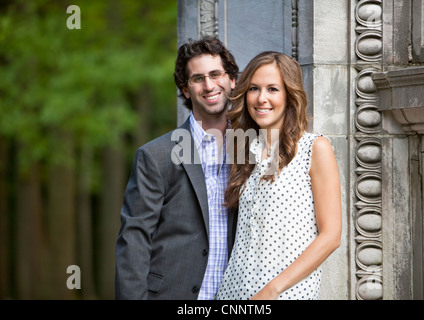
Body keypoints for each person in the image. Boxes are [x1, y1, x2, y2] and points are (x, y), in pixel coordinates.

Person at [115, 36, 239, 300]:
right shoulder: (155, 156)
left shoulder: (252, 151)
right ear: (185, 89)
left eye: (216, 74)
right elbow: (134, 239)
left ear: (232, 80)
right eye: (197, 79)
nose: (209, 85)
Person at [216, 51, 342, 300]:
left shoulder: (314, 148)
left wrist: (272, 290)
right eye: (254, 88)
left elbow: (331, 237)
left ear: (289, 95)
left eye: (272, 89)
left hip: (286, 295)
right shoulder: (244, 153)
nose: (261, 98)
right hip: (233, 294)